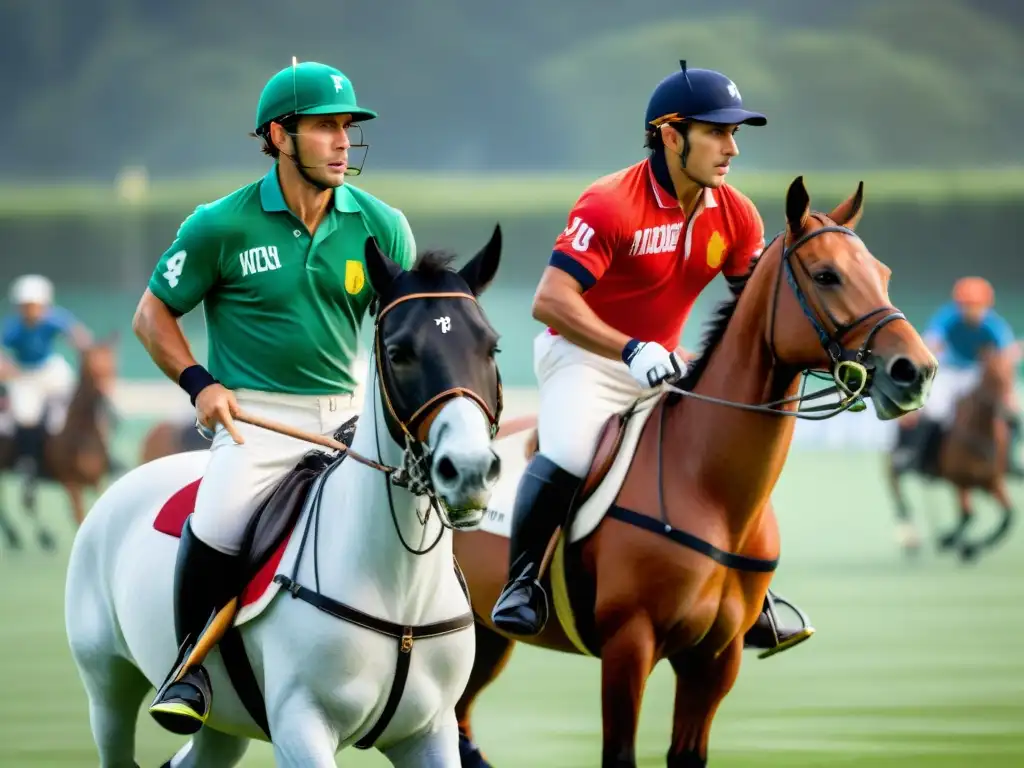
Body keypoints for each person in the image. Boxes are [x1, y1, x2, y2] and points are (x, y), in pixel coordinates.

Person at [490, 61, 812, 655]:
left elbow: (753, 311)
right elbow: (551, 300)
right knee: (567, 450)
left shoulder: (736, 213)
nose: (731, 148)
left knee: (726, 451)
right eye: (717, 132)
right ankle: (522, 583)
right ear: (670, 135)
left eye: (734, 133)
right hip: (584, 357)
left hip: (666, 360)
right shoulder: (609, 203)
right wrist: (630, 349)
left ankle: (749, 589)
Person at [134, 59, 417, 735]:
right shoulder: (220, 225)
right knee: (219, 522)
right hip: (255, 420)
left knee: (419, 520)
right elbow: (152, 315)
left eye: (348, 126)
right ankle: (190, 670)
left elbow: (405, 328)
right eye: (325, 127)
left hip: (351, 417)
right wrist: (200, 385)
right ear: (278, 137)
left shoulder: (382, 224)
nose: (344, 141)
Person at [897, 276, 1022, 476]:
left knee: (1010, 414)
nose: (972, 310)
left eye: (977, 305)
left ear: (986, 305)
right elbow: (930, 344)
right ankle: (917, 456)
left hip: (976, 373)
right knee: (934, 411)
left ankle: (1009, 460)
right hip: (948, 371)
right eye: (966, 305)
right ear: (958, 304)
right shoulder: (947, 318)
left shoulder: (993, 325)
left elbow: (1004, 359)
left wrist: (1009, 393)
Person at [1, 274, 92, 475]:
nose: (31, 309)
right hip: (24, 375)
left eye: (35, 305)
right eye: (26, 305)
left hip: (50, 369)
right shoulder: (13, 328)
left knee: (75, 398)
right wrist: (6, 367)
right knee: (26, 416)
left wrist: (83, 347)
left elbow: (77, 334)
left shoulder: (53, 319)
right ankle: (28, 458)